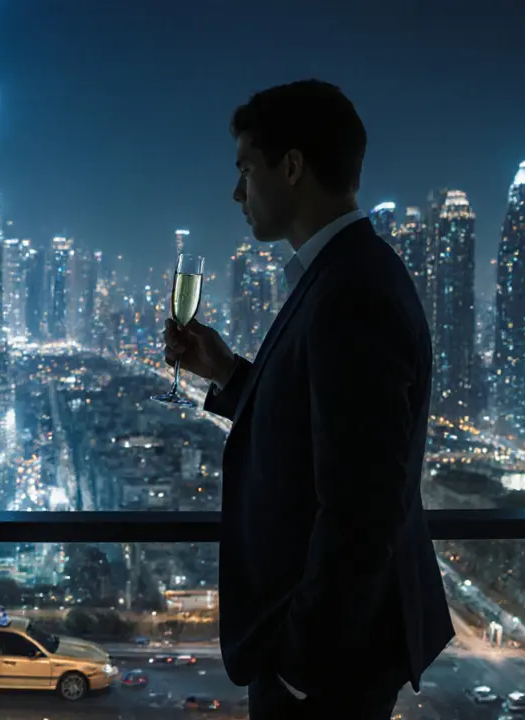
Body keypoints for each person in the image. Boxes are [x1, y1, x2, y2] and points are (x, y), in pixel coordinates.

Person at [164, 80, 454, 718]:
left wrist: (300, 664)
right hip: (327, 657)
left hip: (327, 672)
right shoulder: (343, 274)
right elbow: (310, 435)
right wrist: (228, 373)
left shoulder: (352, 293)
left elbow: (360, 510)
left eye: (246, 169)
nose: (237, 192)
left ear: (291, 167)